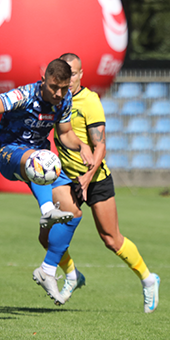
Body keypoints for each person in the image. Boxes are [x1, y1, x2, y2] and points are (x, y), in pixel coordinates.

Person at [0, 58, 92, 304]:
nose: (58, 93)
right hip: (9, 154)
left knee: (73, 212)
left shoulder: (65, 99)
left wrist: (82, 145)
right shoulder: (24, 95)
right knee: (40, 159)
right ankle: (47, 209)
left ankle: (47, 270)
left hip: (41, 162)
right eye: (53, 87)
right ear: (44, 80)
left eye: (64, 88)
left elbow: (65, 132)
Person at [50, 53, 160, 313]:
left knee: (111, 240)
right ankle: (72, 275)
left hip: (95, 178)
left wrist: (88, 176)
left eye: (74, 73)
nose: (70, 78)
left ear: (81, 74)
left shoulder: (90, 101)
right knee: (49, 235)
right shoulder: (55, 98)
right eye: (65, 73)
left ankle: (148, 279)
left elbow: (100, 144)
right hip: (67, 179)